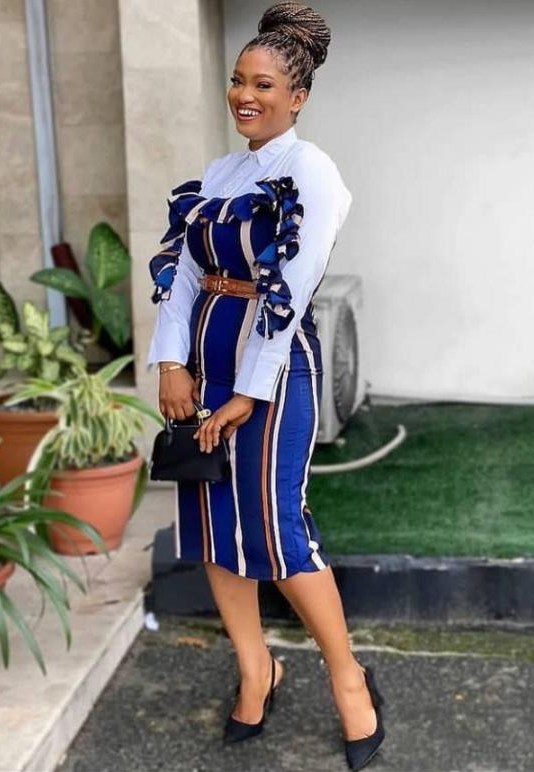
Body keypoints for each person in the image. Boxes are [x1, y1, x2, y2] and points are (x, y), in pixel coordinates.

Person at [147, 3, 385, 769]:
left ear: (298, 96)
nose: (244, 95)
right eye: (237, 80)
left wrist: (248, 391)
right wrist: (170, 363)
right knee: (214, 520)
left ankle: (349, 679)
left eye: (264, 84)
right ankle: (258, 670)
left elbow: (291, 286)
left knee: (277, 527)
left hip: (275, 366)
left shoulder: (311, 172)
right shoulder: (220, 174)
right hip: (204, 359)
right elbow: (185, 276)